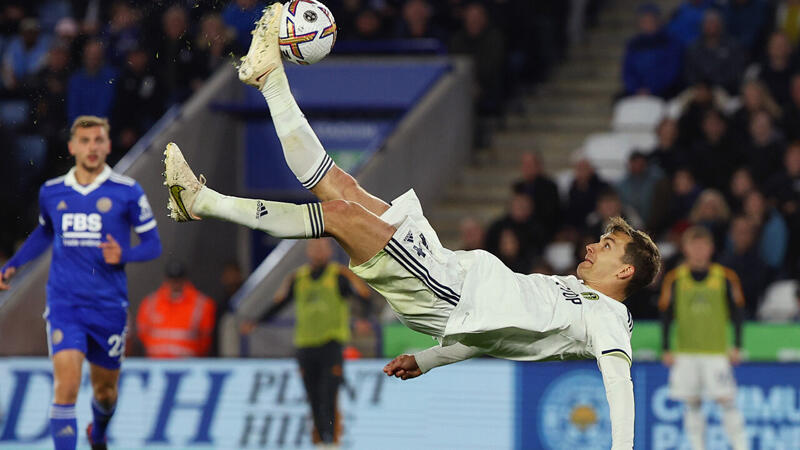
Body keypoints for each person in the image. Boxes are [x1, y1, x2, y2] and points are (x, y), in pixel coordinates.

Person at [162, 5, 662, 448]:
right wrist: (429, 360)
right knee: (342, 187)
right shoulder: (574, 295)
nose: (595, 246)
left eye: (609, 245)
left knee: (339, 216)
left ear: (625, 273)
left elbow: (619, 383)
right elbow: (492, 333)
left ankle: (203, 200)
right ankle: (270, 79)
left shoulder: (609, 321)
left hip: (444, 291)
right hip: (446, 271)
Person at [0, 116, 162, 450]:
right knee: (66, 388)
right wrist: (15, 264)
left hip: (108, 307)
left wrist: (125, 254)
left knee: (105, 393)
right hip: (65, 304)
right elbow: (46, 232)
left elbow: (153, 245)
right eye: (85, 141)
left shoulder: (128, 192)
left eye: (98, 140)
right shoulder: (53, 192)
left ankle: (98, 432)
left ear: (108, 145)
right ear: (73, 146)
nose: (92, 147)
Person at [240, 238, 371, 447]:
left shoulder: (338, 276)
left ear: (329, 250)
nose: (318, 251)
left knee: (329, 395)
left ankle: (332, 441)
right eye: (314, 247)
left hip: (331, 344)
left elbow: (364, 297)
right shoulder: (298, 278)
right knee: (313, 398)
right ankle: (321, 442)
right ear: (309, 251)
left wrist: (365, 318)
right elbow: (279, 303)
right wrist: (256, 321)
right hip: (305, 346)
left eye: (322, 247)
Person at [658, 226, 748, 450]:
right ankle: (697, 447)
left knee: (727, 401)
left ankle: (740, 446)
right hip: (686, 352)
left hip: (715, 351)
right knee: (692, 403)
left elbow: (737, 313)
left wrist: (737, 345)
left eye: (703, 246)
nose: (698, 251)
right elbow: (666, 315)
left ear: (711, 248)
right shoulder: (675, 278)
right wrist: (666, 348)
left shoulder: (725, 277)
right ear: (685, 248)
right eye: (693, 246)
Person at [136, 261, 216, 358]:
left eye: (178, 280)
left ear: (185, 280)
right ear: (166, 280)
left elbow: (205, 340)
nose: (175, 284)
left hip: (187, 364)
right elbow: (142, 334)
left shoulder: (201, 304)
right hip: (156, 363)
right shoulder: (151, 303)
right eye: (172, 280)